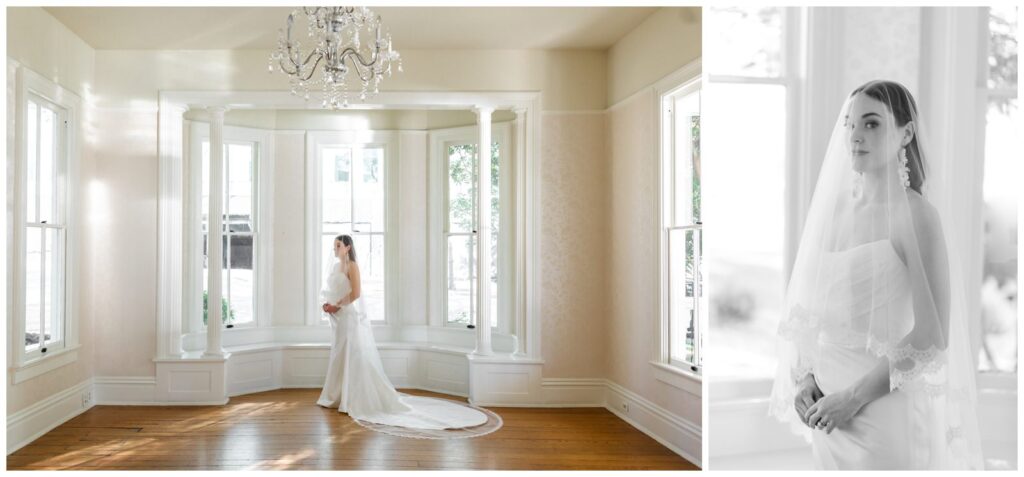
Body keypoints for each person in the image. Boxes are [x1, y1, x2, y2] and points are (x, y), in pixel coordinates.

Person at [769, 80, 983, 469]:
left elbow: (932, 338)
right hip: (827, 417)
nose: (855, 136)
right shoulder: (831, 211)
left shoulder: (916, 216)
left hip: (883, 419)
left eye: (872, 124)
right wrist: (804, 378)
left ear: (906, 133)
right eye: (850, 125)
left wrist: (851, 399)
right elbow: (811, 312)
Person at [317, 234, 489, 431]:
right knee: (340, 355)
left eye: (338, 245)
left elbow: (356, 293)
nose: (334, 249)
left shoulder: (352, 266)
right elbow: (332, 290)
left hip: (349, 318)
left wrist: (337, 306)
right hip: (339, 320)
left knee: (352, 356)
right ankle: (337, 395)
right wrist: (328, 304)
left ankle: (353, 397)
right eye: (334, 245)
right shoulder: (334, 267)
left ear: (347, 247)